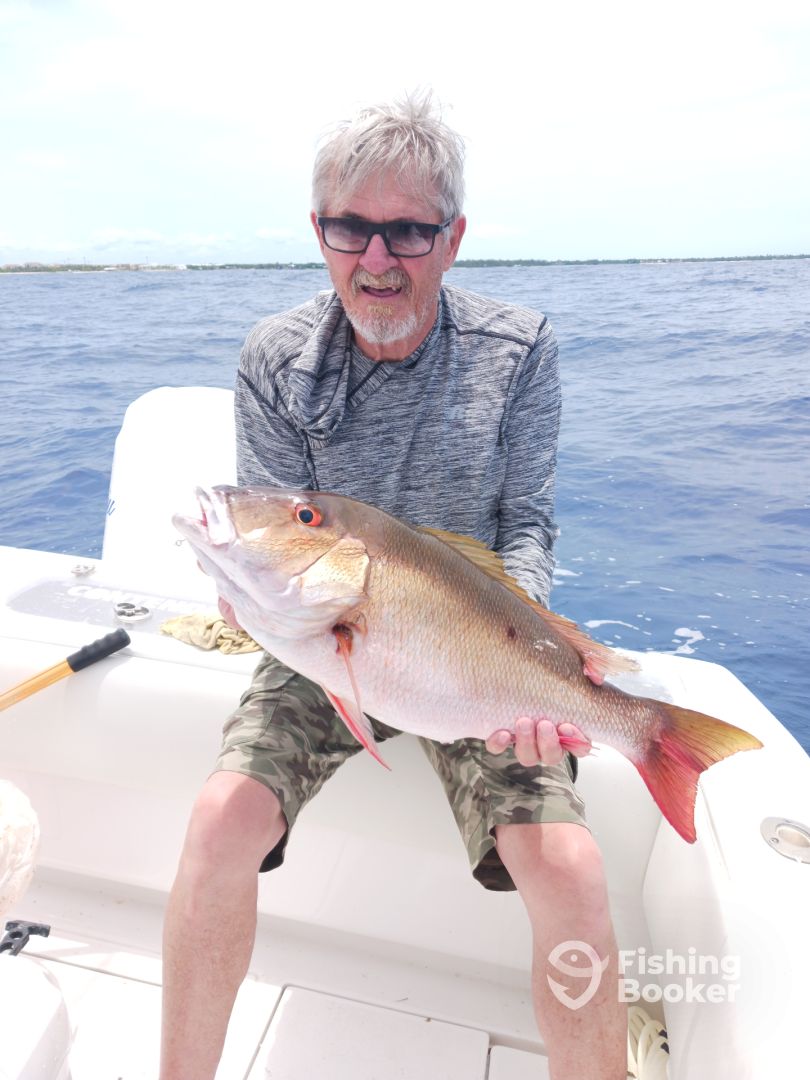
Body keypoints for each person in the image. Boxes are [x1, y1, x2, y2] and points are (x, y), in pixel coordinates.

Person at [160, 94, 625, 1080]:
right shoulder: (276, 357)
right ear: (318, 232)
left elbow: (527, 521)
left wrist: (534, 655)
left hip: (479, 649)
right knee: (217, 822)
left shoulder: (519, 348)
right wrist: (243, 595)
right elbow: (273, 546)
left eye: (408, 231)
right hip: (322, 639)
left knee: (573, 871)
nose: (377, 259)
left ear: (452, 239)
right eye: (350, 228)